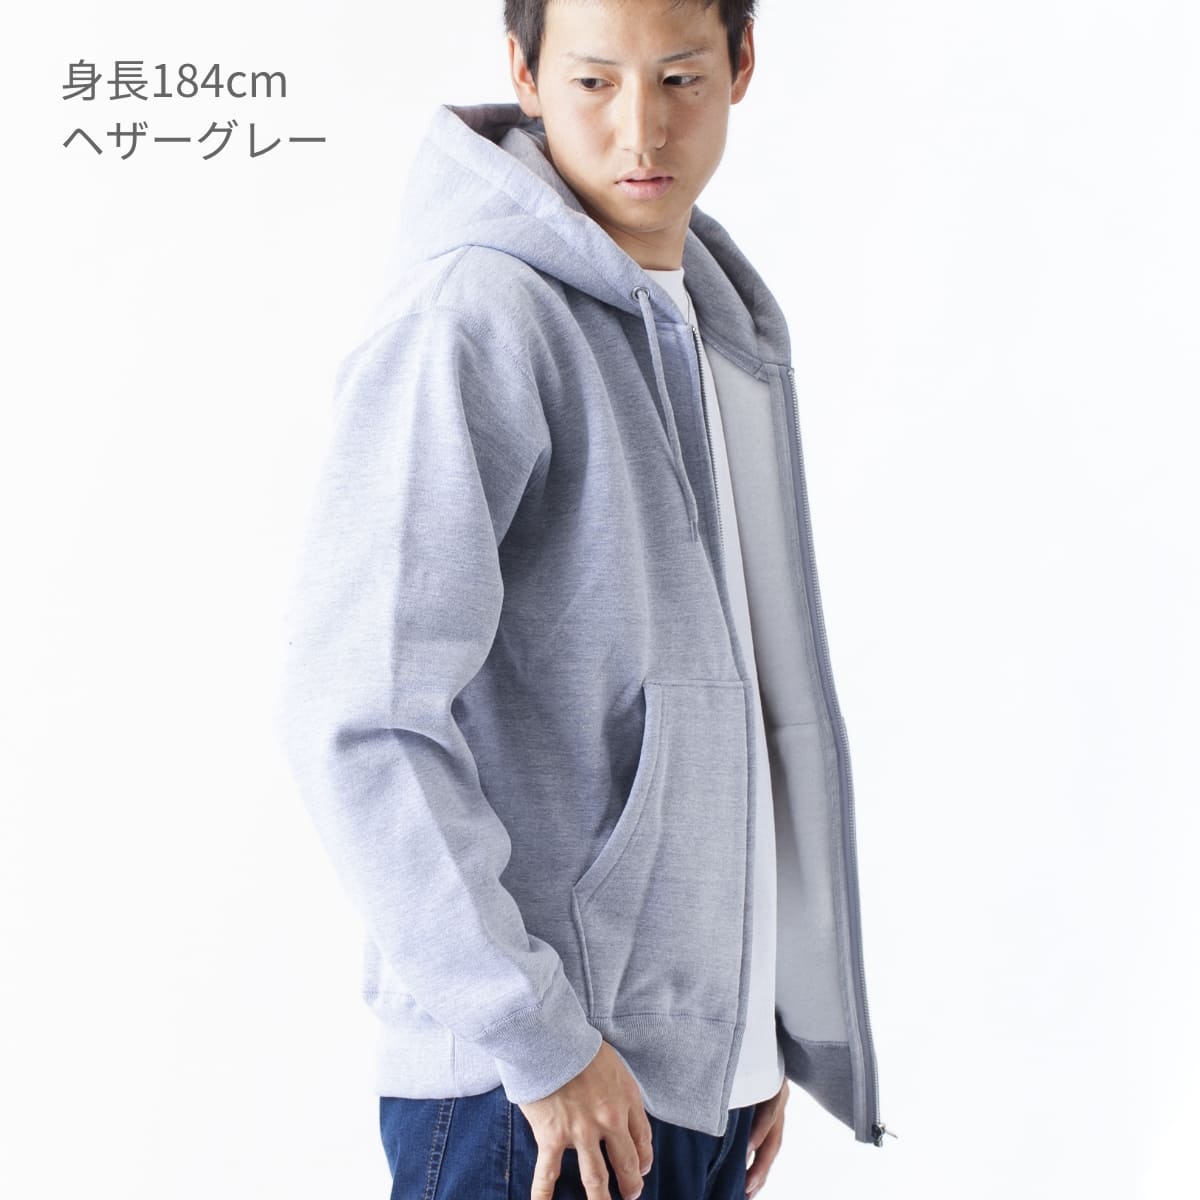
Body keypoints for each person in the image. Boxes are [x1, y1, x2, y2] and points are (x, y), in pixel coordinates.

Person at [275, 1, 891, 1196]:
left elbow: (723, 695)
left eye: (679, 79)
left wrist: (745, 1027)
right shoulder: (478, 316)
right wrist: (534, 1035)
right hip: (540, 1100)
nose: (640, 128)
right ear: (524, 73)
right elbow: (355, 713)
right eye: (595, 82)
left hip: (686, 1085)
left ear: (741, 65)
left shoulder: (703, 321)